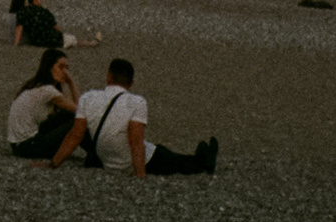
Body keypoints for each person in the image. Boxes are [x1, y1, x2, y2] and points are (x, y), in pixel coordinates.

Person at [41, 58, 216, 175]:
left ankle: (201, 154)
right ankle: (203, 160)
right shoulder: (137, 102)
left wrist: (53, 164)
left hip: (108, 159)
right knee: (171, 159)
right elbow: (135, 141)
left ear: (108, 77)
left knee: (168, 154)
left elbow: (75, 135)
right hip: (133, 161)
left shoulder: (88, 97)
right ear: (131, 83)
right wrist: (140, 176)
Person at [6, 48, 80, 160]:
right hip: (28, 146)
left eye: (66, 68)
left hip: (18, 145)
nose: (65, 72)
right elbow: (80, 110)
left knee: (68, 115)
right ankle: (96, 153)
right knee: (79, 121)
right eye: (61, 67)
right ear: (49, 67)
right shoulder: (47, 90)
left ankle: (96, 152)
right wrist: (71, 82)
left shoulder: (36, 86)